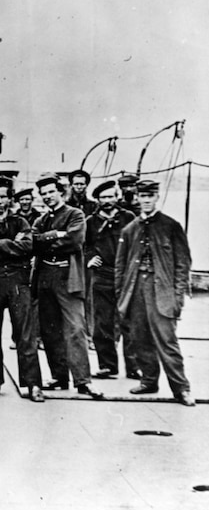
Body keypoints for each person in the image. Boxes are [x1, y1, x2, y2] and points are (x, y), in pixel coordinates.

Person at [115, 179, 194, 406]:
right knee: (139, 338)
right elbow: (121, 267)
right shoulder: (129, 230)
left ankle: (182, 389)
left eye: (151, 196)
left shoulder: (171, 225)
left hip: (162, 292)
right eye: (143, 196)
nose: (146, 200)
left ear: (157, 197)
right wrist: (122, 296)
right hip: (135, 290)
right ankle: (149, 381)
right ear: (137, 198)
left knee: (167, 342)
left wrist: (178, 295)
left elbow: (183, 264)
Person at [31, 174, 103, 399]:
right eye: (43, 194)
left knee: (75, 329)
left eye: (51, 192)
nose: (47, 197)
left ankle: (83, 380)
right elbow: (32, 242)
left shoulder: (76, 214)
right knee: (49, 329)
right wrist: (54, 235)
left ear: (61, 191)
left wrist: (47, 240)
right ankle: (59, 376)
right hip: (45, 276)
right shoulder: (41, 220)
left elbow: (74, 241)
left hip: (67, 277)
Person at [0, 177, 44, 402]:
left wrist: (0, 244)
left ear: (9, 198)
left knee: (25, 335)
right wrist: (10, 245)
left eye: (3, 196)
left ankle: (33, 385)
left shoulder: (21, 222)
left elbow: (27, 246)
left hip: (17, 282)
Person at [85, 180, 138, 380]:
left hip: (126, 276)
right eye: (103, 197)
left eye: (110, 197)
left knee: (130, 322)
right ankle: (107, 365)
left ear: (117, 197)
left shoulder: (129, 217)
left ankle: (134, 367)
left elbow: (138, 242)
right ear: (97, 200)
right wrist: (90, 257)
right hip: (102, 275)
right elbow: (84, 245)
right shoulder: (91, 221)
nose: (107, 201)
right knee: (102, 323)